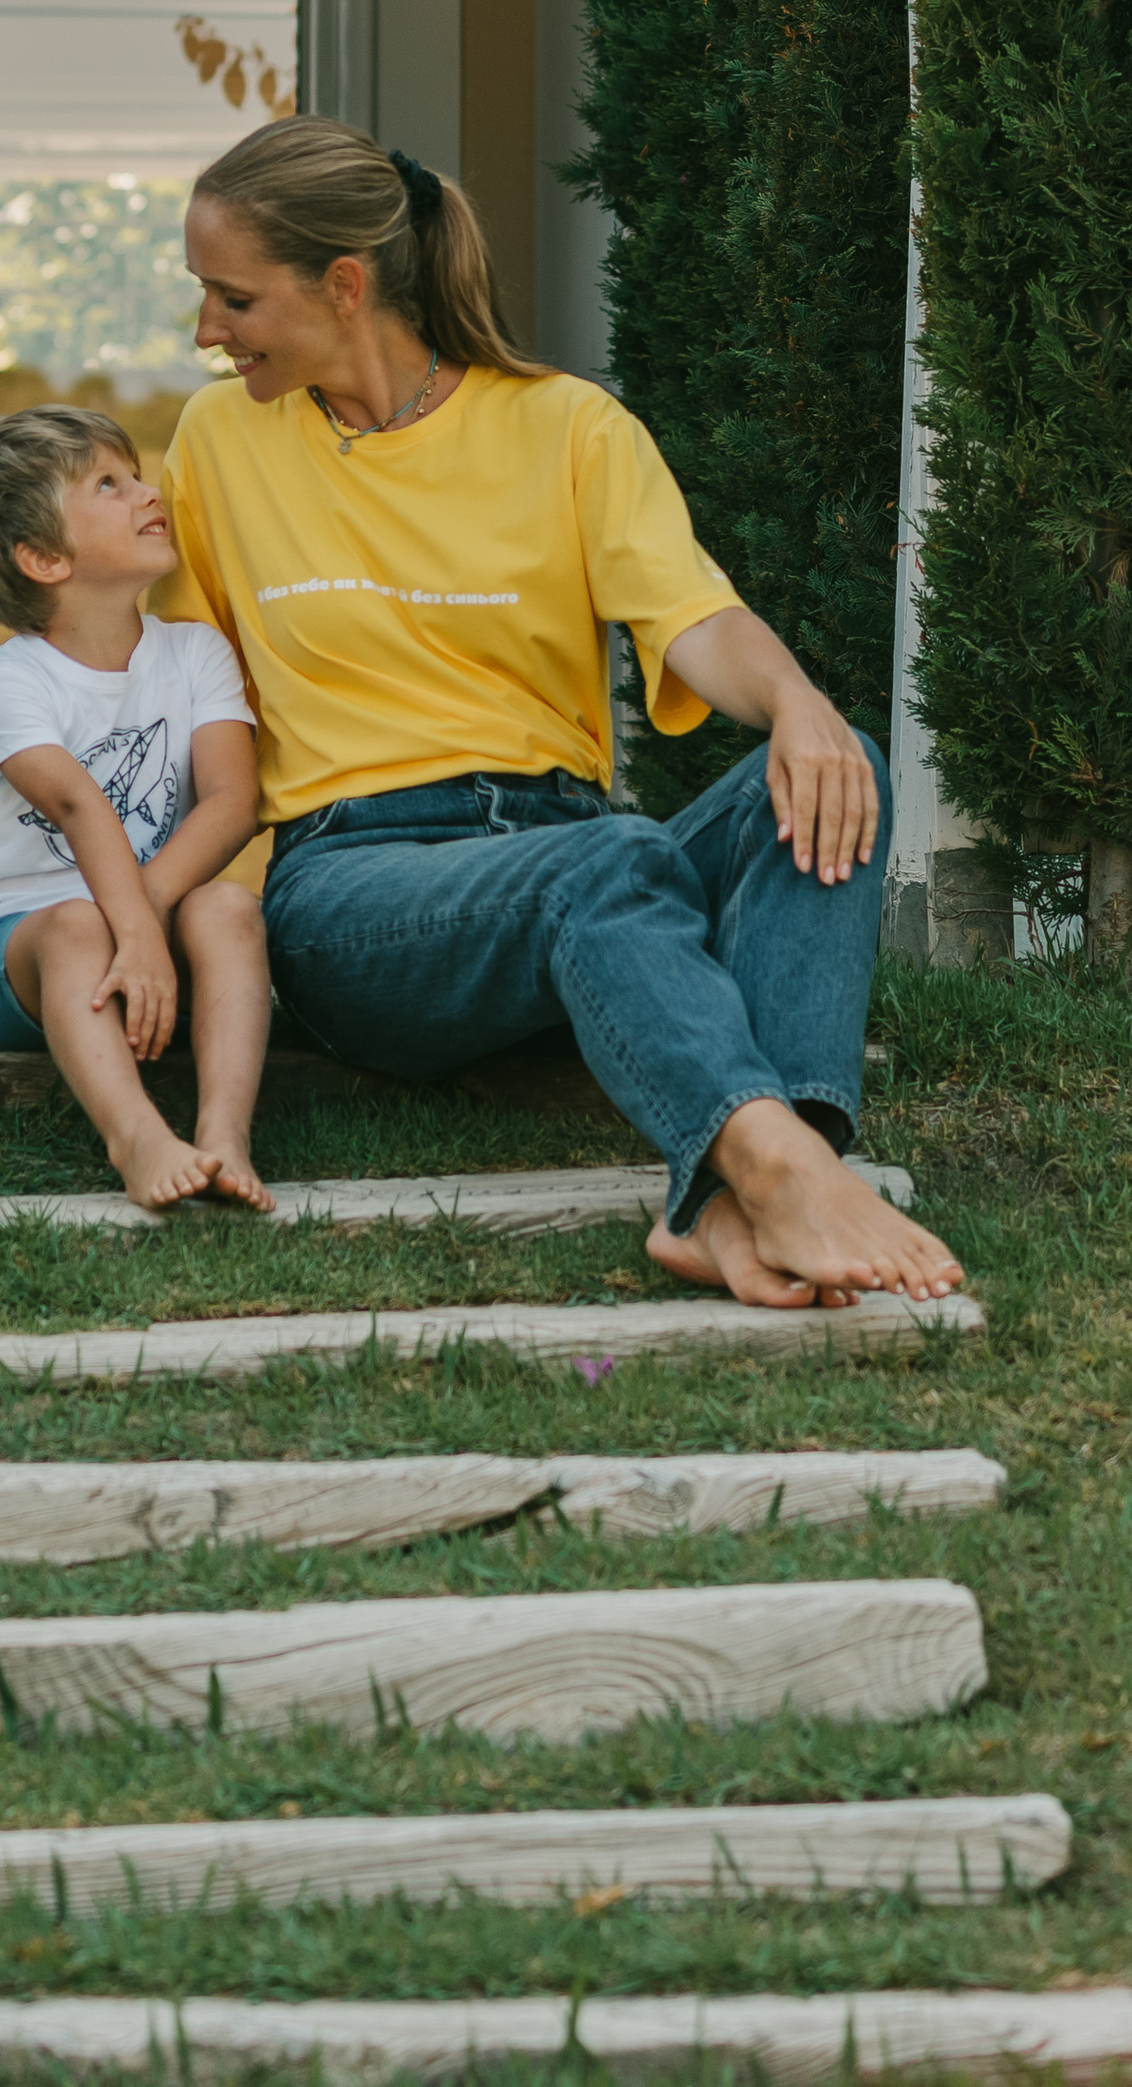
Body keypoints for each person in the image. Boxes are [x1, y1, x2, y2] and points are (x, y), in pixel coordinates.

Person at [152, 115, 963, 1312]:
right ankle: (783, 1167)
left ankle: (753, 1198)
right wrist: (58, 909)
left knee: (836, 768)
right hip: (357, 892)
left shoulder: (566, 427)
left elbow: (693, 620)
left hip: (571, 855)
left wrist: (796, 702)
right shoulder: (218, 443)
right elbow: (168, 706)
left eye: (231, 299)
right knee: (612, 857)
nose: (206, 332)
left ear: (341, 285)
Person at [0, 403, 274, 1213]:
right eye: (109, 485)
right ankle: (138, 1138)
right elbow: (83, 810)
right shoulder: (15, 681)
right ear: (45, 557)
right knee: (76, 924)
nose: (147, 492)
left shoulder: (196, 653)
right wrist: (129, 932)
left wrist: (143, 926)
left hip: (140, 938)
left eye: (136, 474)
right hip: (13, 951)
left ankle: (225, 1135)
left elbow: (234, 800)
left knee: (227, 907)